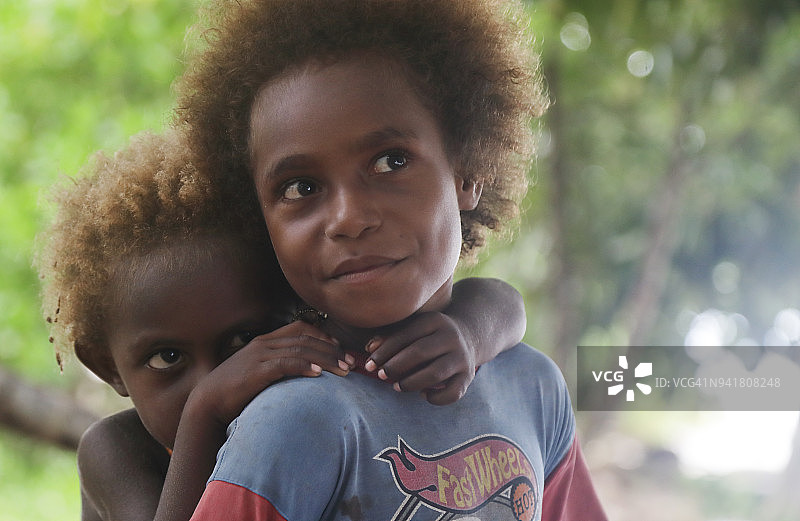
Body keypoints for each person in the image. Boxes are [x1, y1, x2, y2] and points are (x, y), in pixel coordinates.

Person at [176, 0, 607, 520]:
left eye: (390, 161)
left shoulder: (535, 387)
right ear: (261, 222)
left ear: (467, 170)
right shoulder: (291, 424)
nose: (348, 218)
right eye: (301, 187)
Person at [35, 129, 528, 521]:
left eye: (245, 340)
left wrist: (467, 333)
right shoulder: (117, 451)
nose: (221, 378)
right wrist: (204, 412)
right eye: (167, 358)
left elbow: (497, 298)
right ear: (108, 368)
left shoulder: (308, 391)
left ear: (302, 311)